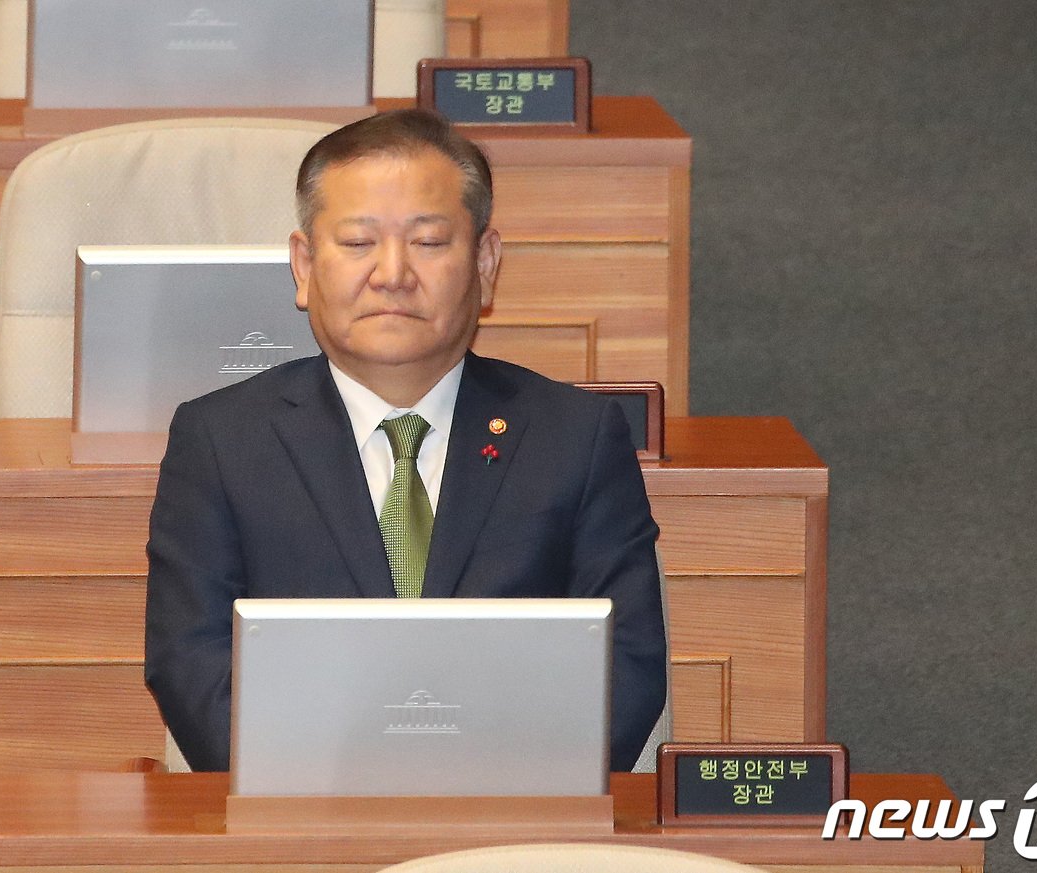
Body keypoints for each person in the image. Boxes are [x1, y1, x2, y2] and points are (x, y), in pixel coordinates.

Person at [145, 109, 666, 773]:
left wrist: (484, 800)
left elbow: (627, 664)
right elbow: (190, 663)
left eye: (427, 241)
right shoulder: (220, 440)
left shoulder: (576, 438)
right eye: (358, 242)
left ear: (485, 261)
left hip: (512, 831)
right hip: (297, 832)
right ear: (304, 266)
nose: (392, 273)